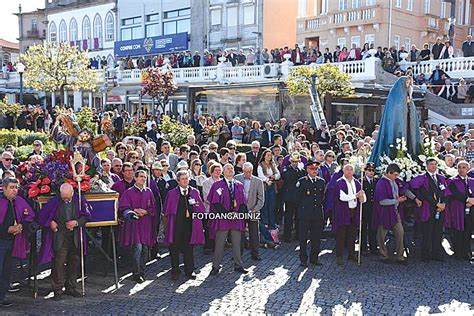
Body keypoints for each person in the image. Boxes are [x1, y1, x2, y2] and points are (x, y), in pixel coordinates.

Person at [38, 183, 91, 300]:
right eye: (64, 196)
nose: (66, 199)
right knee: (58, 263)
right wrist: (51, 222)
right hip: (60, 236)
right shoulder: (54, 201)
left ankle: (71, 286)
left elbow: (87, 216)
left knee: (74, 262)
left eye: (68, 196)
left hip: (75, 236)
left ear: (72, 193)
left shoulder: (79, 200)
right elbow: (42, 216)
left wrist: (76, 223)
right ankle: (57, 289)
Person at [373, 164, 419, 265]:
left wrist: (414, 198)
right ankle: (383, 255)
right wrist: (397, 200)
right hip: (384, 213)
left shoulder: (396, 181)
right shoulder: (381, 183)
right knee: (382, 234)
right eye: (395, 175)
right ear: (389, 173)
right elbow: (382, 201)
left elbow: (404, 190)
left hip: (395, 212)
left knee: (400, 233)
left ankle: (400, 256)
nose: (396, 177)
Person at [163, 170, 205, 280]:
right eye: (182, 179)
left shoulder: (194, 192)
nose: (185, 181)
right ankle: (175, 271)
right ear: (178, 181)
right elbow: (167, 211)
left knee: (189, 249)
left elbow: (200, 207)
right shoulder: (171, 193)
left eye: (187, 179)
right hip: (176, 225)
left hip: (190, 225)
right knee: (174, 249)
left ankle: (189, 271)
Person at [0, 177, 35, 307]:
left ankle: (1, 297)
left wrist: (21, 226)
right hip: (1, 240)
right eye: (12, 188)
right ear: (4, 188)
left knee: (7, 271)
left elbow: (30, 216)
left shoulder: (19, 201)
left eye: (16, 188)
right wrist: (7, 229)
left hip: (14, 242)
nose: (15, 191)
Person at [207, 164, 248, 275]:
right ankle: (215, 266)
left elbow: (243, 203)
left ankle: (238, 265)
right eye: (228, 169)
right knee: (220, 243)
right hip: (223, 218)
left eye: (232, 168)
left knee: (237, 243)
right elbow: (215, 202)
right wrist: (227, 214)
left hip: (236, 218)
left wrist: (238, 214)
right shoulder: (217, 185)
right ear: (223, 172)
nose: (230, 170)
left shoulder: (239, 185)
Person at [410, 158, 451, 262]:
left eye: (435, 164)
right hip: (428, 208)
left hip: (440, 208)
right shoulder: (423, 178)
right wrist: (436, 203)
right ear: (427, 166)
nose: (433, 166)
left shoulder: (440, 178)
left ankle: (436, 254)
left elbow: (446, 191)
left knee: (438, 232)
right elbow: (424, 193)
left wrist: (443, 204)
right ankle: (426, 255)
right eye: (431, 164)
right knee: (427, 232)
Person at [119, 170, 157, 283]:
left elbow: (154, 207)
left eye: (145, 177)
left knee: (145, 249)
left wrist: (145, 211)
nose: (143, 179)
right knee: (137, 248)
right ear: (135, 178)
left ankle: (142, 270)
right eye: (141, 176)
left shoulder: (148, 191)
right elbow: (123, 207)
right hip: (135, 225)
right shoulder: (129, 192)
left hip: (146, 224)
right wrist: (134, 210)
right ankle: (136, 273)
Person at [333, 164, 366, 265]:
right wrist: (356, 195)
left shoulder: (357, 183)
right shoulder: (339, 183)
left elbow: (363, 199)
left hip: (354, 211)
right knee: (341, 235)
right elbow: (342, 197)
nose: (349, 171)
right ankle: (339, 255)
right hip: (343, 211)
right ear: (343, 171)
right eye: (347, 169)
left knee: (352, 234)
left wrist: (362, 197)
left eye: (351, 169)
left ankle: (352, 254)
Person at [294, 160, 325, 267]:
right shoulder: (302, 181)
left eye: (316, 169)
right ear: (307, 170)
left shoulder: (321, 181)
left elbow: (322, 197)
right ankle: (303, 259)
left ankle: (314, 258)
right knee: (303, 238)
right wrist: (302, 209)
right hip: (305, 214)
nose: (314, 171)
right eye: (312, 169)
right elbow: (297, 199)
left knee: (316, 237)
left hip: (317, 214)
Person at [235, 162, 265, 261]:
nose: (247, 174)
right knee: (240, 233)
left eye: (249, 172)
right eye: (245, 172)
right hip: (241, 211)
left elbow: (261, 198)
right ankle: (238, 254)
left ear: (252, 171)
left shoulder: (258, 181)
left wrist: (255, 209)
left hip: (254, 210)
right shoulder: (237, 178)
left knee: (254, 233)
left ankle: (255, 253)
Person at [446, 160, 474, 261]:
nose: (461, 169)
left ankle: (467, 252)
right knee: (458, 231)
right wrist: (467, 199)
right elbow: (454, 194)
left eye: (464, 167)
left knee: (468, 231)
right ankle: (458, 253)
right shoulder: (452, 181)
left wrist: (471, 201)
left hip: (470, 210)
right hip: (457, 209)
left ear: (468, 169)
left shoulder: (472, 181)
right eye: (459, 167)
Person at [282, 152, 306, 242]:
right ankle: (286, 236)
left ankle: (298, 235)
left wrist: (300, 170)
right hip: (290, 197)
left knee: (298, 217)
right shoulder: (286, 169)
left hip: (299, 197)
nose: (294, 164)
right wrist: (298, 171)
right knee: (288, 218)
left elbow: (303, 179)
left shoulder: (301, 170)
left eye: (296, 162)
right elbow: (288, 177)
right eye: (293, 162)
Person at [257, 150, 280, 230]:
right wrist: (268, 180)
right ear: (264, 156)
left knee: (272, 205)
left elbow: (278, 175)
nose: (269, 157)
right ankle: (265, 222)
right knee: (265, 205)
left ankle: (272, 223)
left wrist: (273, 177)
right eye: (267, 155)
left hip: (272, 187)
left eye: (270, 155)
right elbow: (261, 176)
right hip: (264, 187)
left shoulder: (273, 165)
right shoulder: (260, 165)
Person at [360, 163, 378, 256]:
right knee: (363, 228)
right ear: (365, 171)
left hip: (373, 208)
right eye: (369, 170)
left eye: (373, 170)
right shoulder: (361, 182)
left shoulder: (376, 181)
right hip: (364, 208)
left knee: (373, 228)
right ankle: (363, 247)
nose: (371, 172)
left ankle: (373, 247)